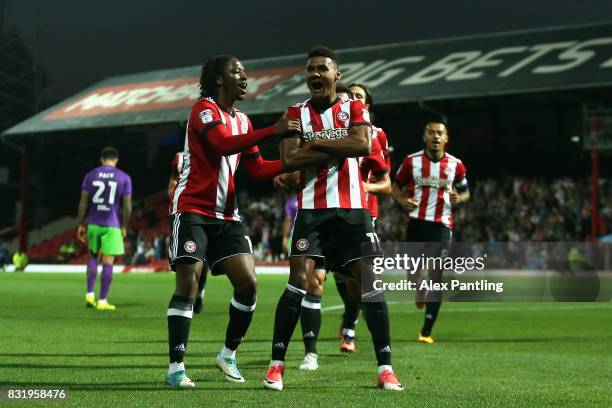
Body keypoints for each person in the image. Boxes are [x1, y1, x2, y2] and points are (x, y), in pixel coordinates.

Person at [263, 46, 403, 392]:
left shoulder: (354, 107)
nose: (315, 74)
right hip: (311, 211)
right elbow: (289, 159)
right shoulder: (294, 112)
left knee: (370, 285)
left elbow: (361, 146)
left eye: (322, 68)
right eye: (310, 69)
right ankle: (276, 365)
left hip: (353, 211)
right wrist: (334, 144)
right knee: (298, 282)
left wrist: (313, 143)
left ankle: (385, 368)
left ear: (335, 75)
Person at [165, 54, 300, 388]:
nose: (244, 76)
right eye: (237, 72)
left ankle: (227, 354)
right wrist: (275, 130)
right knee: (188, 284)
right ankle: (176, 368)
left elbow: (255, 168)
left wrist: (293, 166)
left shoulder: (243, 120)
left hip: (227, 216)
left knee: (249, 283)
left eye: (245, 72)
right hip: (193, 210)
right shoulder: (204, 109)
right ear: (219, 78)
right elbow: (222, 145)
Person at [296, 83, 391, 369]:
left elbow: (386, 182)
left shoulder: (376, 135)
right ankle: (310, 352)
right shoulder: (322, 125)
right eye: (351, 96)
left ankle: (352, 329)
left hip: (358, 216)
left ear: (367, 105)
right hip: (322, 214)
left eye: (360, 98)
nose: (353, 100)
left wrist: (366, 186)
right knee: (317, 281)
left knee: (359, 284)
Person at [391, 119, 470, 344]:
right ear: (424, 137)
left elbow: (466, 193)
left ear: (446, 138)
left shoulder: (456, 165)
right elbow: (395, 187)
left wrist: (459, 198)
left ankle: (426, 332)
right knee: (413, 275)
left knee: (436, 275)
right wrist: (402, 200)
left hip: (441, 226)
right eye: (431, 133)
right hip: (416, 224)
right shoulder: (410, 162)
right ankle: (418, 289)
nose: (436, 137)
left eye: (440, 133)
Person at [77, 147, 132, 311]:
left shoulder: (90, 175)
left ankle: (89, 294)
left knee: (92, 257)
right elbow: (127, 205)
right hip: (111, 224)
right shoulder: (124, 177)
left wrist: (81, 224)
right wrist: (124, 225)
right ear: (116, 160)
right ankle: (102, 301)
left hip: (93, 222)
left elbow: (83, 203)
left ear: (101, 159)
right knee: (108, 261)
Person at [169, 151, 208, 314]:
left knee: (203, 259)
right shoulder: (179, 157)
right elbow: (172, 179)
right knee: (187, 259)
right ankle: (187, 296)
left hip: (207, 210)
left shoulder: (213, 149)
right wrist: (171, 189)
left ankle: (199, 293)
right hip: (185, 211)